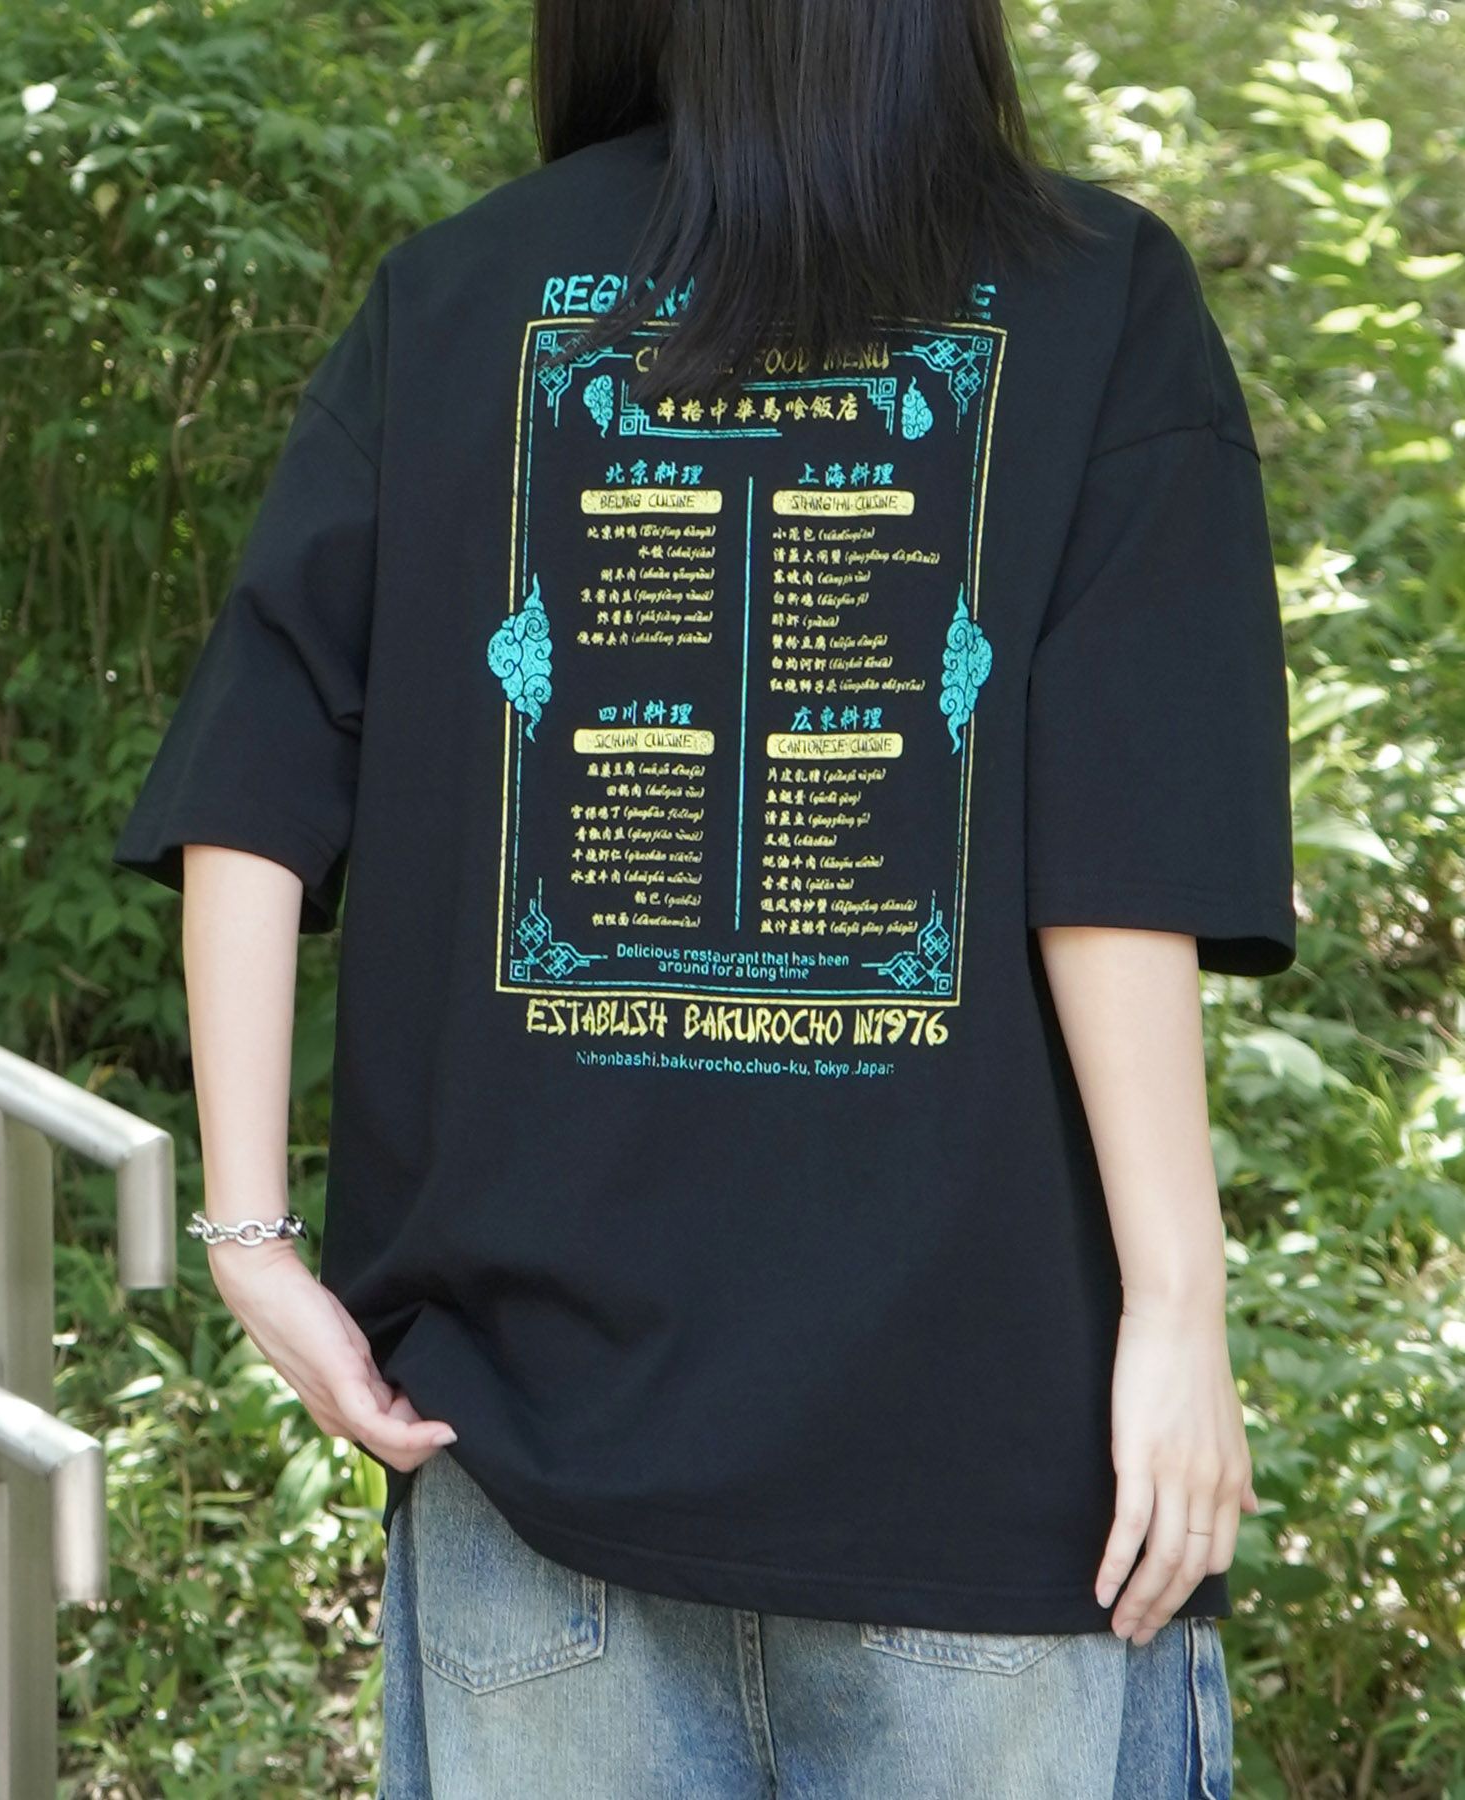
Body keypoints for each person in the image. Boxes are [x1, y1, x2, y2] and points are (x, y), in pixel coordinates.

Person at [110, 0, 1297, 1793]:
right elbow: (1116, 853)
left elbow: (250, 796)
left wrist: (251, 1239)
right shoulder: (1094, 295)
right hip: (985, 1482)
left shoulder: (456, 299)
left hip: (532, 1465)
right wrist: (1178, 1311)